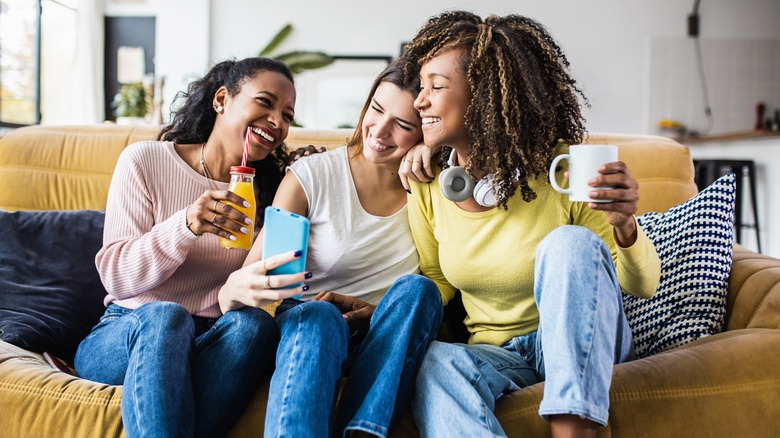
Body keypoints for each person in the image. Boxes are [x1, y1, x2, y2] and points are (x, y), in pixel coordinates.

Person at [397, 11, 661, 437]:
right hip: (502, 357)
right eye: (421, 87)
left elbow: (641, 286)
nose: (419, 101)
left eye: (436, 87)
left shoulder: (565, 170)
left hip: (583, 342)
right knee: (438, 362)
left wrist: (625, 225)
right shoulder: (428, 184)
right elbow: (437, 279)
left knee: (568, 243)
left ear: (482, 95)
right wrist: (382, 309)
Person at [74, 57, 309, 437]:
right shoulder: (145, 161)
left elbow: (274, 282)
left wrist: (305, 183)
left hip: (212, 340)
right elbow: (116, 278)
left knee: (254, 327)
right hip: (130, 330)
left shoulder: (272, 192)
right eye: (265, 102)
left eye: (287, 115)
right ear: (221, 99)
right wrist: (185, 225)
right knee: (166, 316)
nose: (277, 121)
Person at [219, 61, 444, 437]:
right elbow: (250, 281)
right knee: (320, 316)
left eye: (403, 125)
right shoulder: (313, 176)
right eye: (376, 110)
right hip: (312, 328)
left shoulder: (433, 188)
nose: (380, 131)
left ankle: (362, 431)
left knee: (419, 290)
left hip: (385, 336)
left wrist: (379, 313)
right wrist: (236, 289)